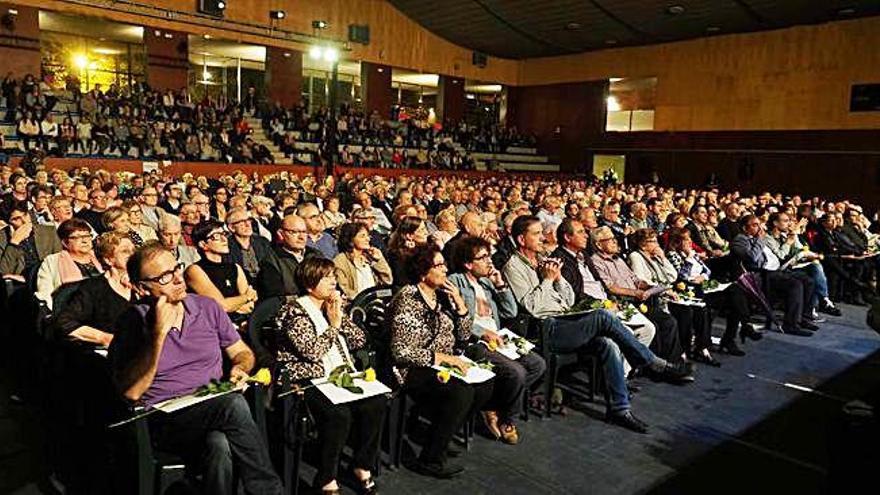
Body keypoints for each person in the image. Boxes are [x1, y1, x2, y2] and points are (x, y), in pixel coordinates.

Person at [109, 242, 283, 495]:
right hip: (162, 418)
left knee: (219, 444)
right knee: (232, 405)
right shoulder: (132, 323)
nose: (178, 279)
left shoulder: (207, 307)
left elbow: (242, 352)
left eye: (177, 269)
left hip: (210, 403)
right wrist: (157, 336)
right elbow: (132, 392)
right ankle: (270, 491)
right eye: (165, 277)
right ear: (140, 288)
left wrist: (239, 367)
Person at [503, 215, 693, 434]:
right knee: (602, 316)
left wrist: (558, 279)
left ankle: (619, 409)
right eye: (536, 234)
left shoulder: (544, 259)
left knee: (607, 344)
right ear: (520, 239)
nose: (543, 238)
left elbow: (568, 299)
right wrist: (547, 280)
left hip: (565, 320)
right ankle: (653, 362)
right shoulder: (513, 266)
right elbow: (532, 307)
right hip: (545, 329)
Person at [274, 257, 385, 494]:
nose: (333, 281)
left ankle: (361, 465)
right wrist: (333, 326)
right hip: (308, 378)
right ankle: (326, 477)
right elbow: (312, 352)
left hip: (340, 372)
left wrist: (340, 317)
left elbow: (359, 340)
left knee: (376, 402)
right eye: (326, 278)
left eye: (333, 276)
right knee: (339, 415)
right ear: (309, 284)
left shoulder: (331, 306)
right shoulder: (294, 311)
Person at [389, 245, 494, 478]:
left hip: (445, 362)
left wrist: (460, 305)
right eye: (439, 265)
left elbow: (464, 337)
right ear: (423, 272)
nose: (445, 269)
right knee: (461, 392)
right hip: (413, 368)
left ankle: (440, 432)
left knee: (485, 386)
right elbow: (401, 351)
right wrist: (441, 357)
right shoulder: (408, 298)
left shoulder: (441, 296)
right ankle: (430, 458)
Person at [448, 236, 546, 445]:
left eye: (488, 256)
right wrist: (480, 332)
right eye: (482, 258)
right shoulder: (455, 281)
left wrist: (500, 286)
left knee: (538, 364)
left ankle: (492, 405)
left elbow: (510, 312)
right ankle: (508, 420)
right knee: (517, 373)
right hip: (475, 342)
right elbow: (454, 318)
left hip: (499, 337)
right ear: (468, 263)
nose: (489, 261)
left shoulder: (487, 281)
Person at [589, 225, 685, 363]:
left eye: (614, 238)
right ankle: (660, 364)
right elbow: (610, 287)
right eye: (610, 239)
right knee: (660, 323)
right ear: (598, 244)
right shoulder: (596, 262)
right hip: (624, 302)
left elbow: (636, 280)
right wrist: (636, 293)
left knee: (668, 321)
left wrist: (650, 287)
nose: (615, 241)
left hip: (639, 299)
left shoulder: (619, 259)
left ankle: (670, 362)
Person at [628, 228, 719, 366]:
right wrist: (664, 290)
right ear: (642, 244)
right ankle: (679, 354)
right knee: (684, 313)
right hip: (654, 298)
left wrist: (663, 259)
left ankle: (700, 348)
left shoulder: (656, 256)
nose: (656, 244)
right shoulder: (636, 256)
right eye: (651, 241)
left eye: (655, 241)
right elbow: (642, 281)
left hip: (667, 293)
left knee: (701, 309)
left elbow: (672, 276)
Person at [732, 214, 817, 336]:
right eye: (755, 225)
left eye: (759, 224)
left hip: (777, 269)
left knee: (808, 281)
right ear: (745, 228)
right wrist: (760, 240)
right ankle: (791, 325)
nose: (760, 228)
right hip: (762, 275)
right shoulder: (740, 240)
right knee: (795, 285)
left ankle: (804, 318)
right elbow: (752, 258)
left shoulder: (759, 238)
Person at [53, 231, 134, 346]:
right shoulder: (93, 288)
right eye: (125, 251)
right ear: (108, 259)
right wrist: (105, 338)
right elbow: (64, 324)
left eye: (134, 250)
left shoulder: (142, 284)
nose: (132, 254)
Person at [184, 220, 257, 324]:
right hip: (214, 327)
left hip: (242, 323)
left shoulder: (235, 268)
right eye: (217, 236)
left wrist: (233, 304)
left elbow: (250, 307)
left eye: (224, 234)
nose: (224, 239)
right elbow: (221, 306)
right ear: (203, 244)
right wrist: (246, 297)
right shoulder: (195, 270)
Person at [35, 218, 103, 308]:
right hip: (69, 311)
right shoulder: (52, 261)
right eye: (78, 237)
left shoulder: (100, 258)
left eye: (87, 236)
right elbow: (45, 293)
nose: (85, 241)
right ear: (65, 242)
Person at [257, 213, 320, 299]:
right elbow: (275, 298)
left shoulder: (316, 255)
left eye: (304, 232)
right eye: (294, 232)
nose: (301, 237)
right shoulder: (271, 260)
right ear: (280, 234)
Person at [0, 199, 62, 277]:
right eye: (16, 219)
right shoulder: (2, 239)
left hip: (49, 277)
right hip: (19, 284)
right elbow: (4, 272)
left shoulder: (48, 231)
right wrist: (14, 243)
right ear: (8, 223)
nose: (24, 221)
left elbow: (60, 261)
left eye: (25, 215)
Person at [333, 222, 392, 299]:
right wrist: (364, 299)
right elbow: (345, 290)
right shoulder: (340, 261)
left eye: (368, 235)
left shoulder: (370, 256)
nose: (368, 239)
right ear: (351, 240)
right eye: (362, 236)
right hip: (356, 304)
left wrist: (379, 260)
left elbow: (388, 280)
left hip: (377, 300)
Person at [225, 206, 272, 284]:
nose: (248, 224)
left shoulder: (263, 242)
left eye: (248, 220)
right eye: (242, 222)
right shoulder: (226, 246)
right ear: (231, 227)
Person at [385, 215, 431, 288]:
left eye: (425, 229)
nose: (426, 233)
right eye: (422, 230)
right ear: (409, 235)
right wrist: (412, 255)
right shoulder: (396, 255)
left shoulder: (426, 248)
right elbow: (403, 281)